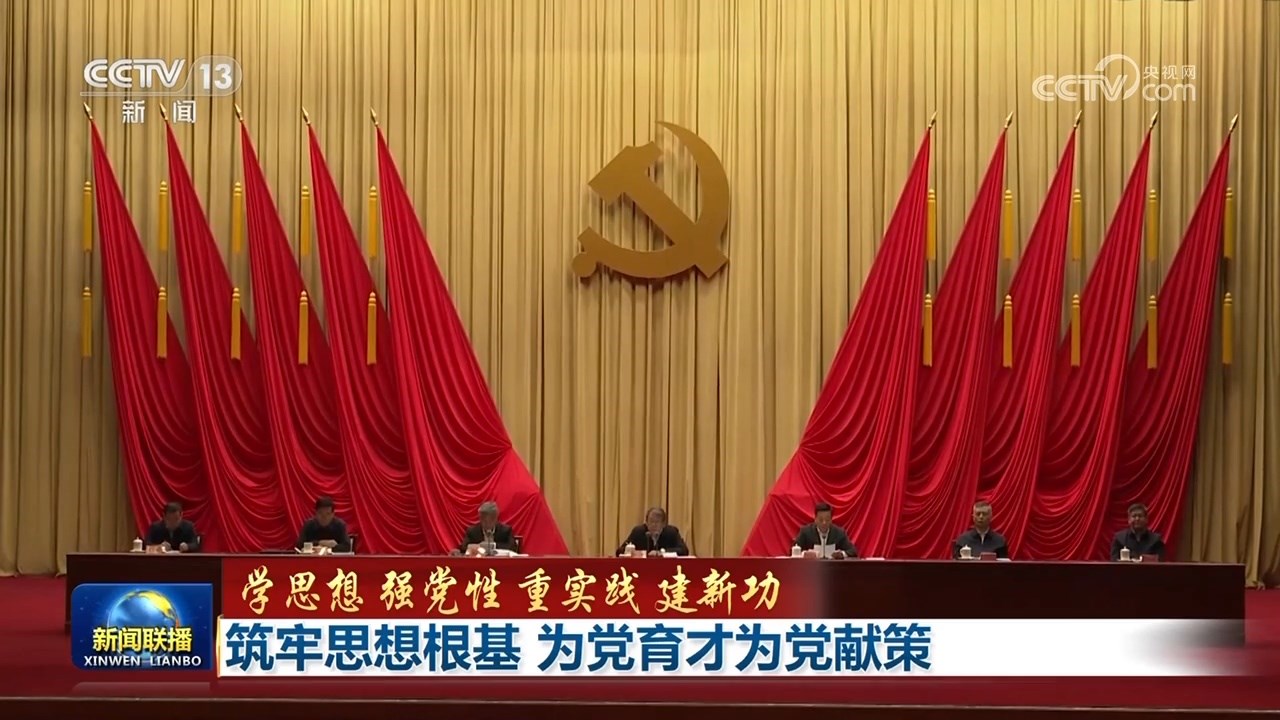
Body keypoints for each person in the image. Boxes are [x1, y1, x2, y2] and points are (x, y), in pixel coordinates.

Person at [792, 502, 857, 559]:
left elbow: (853, 551)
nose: (824, 523)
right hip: (811, 567)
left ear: (831, 520)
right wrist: (804, 554)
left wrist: (842, 554)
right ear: (815, 519)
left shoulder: (839, 533)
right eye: (821, 520)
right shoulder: (806, 532)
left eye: (827, 519)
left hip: (833, 567)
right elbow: (793, 550)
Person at [616, 507, 689, 556]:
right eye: (651, 521)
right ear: (646, 522)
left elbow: (684, 551)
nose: (653, 525)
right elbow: (619, 551)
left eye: (657, 522)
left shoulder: (671, 532)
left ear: (663, 524)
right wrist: (629, 550)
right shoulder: (638, 532)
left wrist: (661, 552)